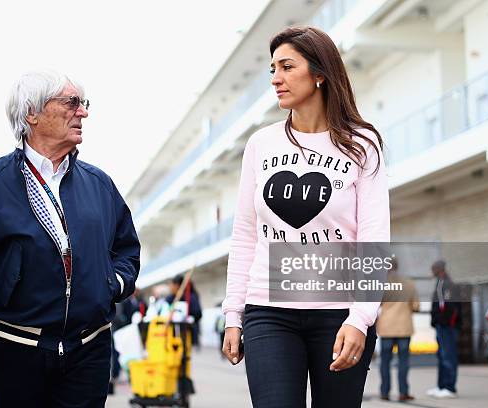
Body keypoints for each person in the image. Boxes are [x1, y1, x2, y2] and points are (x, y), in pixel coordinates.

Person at [0, 70, 140, 408]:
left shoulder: (100, 184)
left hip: (88, 349)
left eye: (83, 103)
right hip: (15, 350)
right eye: (71, 103)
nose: (83, 112)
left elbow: (127, 250)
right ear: (32, 113)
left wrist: (111, 284)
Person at [221, 26, 389, 408]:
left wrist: (360, 318)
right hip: (269, 312)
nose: (275, 79)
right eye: (272, 70)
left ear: (319, 73)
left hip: (339, 314)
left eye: (286, 67)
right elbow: (246, 233)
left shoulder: (363, 144)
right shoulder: (261, 144)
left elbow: (373, 235)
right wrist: (234, 314)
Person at [376, 258, 420, 402]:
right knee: (403, 361)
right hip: (404, 328)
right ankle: (403, 392)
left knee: (385, 362)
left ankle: (384, 392)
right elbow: (416, 306)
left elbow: (375, 305)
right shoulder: (409, 283)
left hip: (386, 328)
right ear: (397, 266)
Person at [427, 260, 461, 399]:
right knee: (442, 356)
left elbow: (450, 307)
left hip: (447, 327)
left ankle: (450, 387)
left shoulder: (447, 284)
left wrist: (444, 322)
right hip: (442, 326)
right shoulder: (440, 283)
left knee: (448, 356)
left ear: (439, 269)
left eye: (433, 269)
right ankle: (441, 385)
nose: (431, 272)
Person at [166, 274, 203, 348]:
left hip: (185, 332)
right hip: (170, 333)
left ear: (177, 285)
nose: (170, 288)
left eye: (172, 285)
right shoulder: (171, 298)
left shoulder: (190, 297)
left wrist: (189, 318)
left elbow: (198, 313)